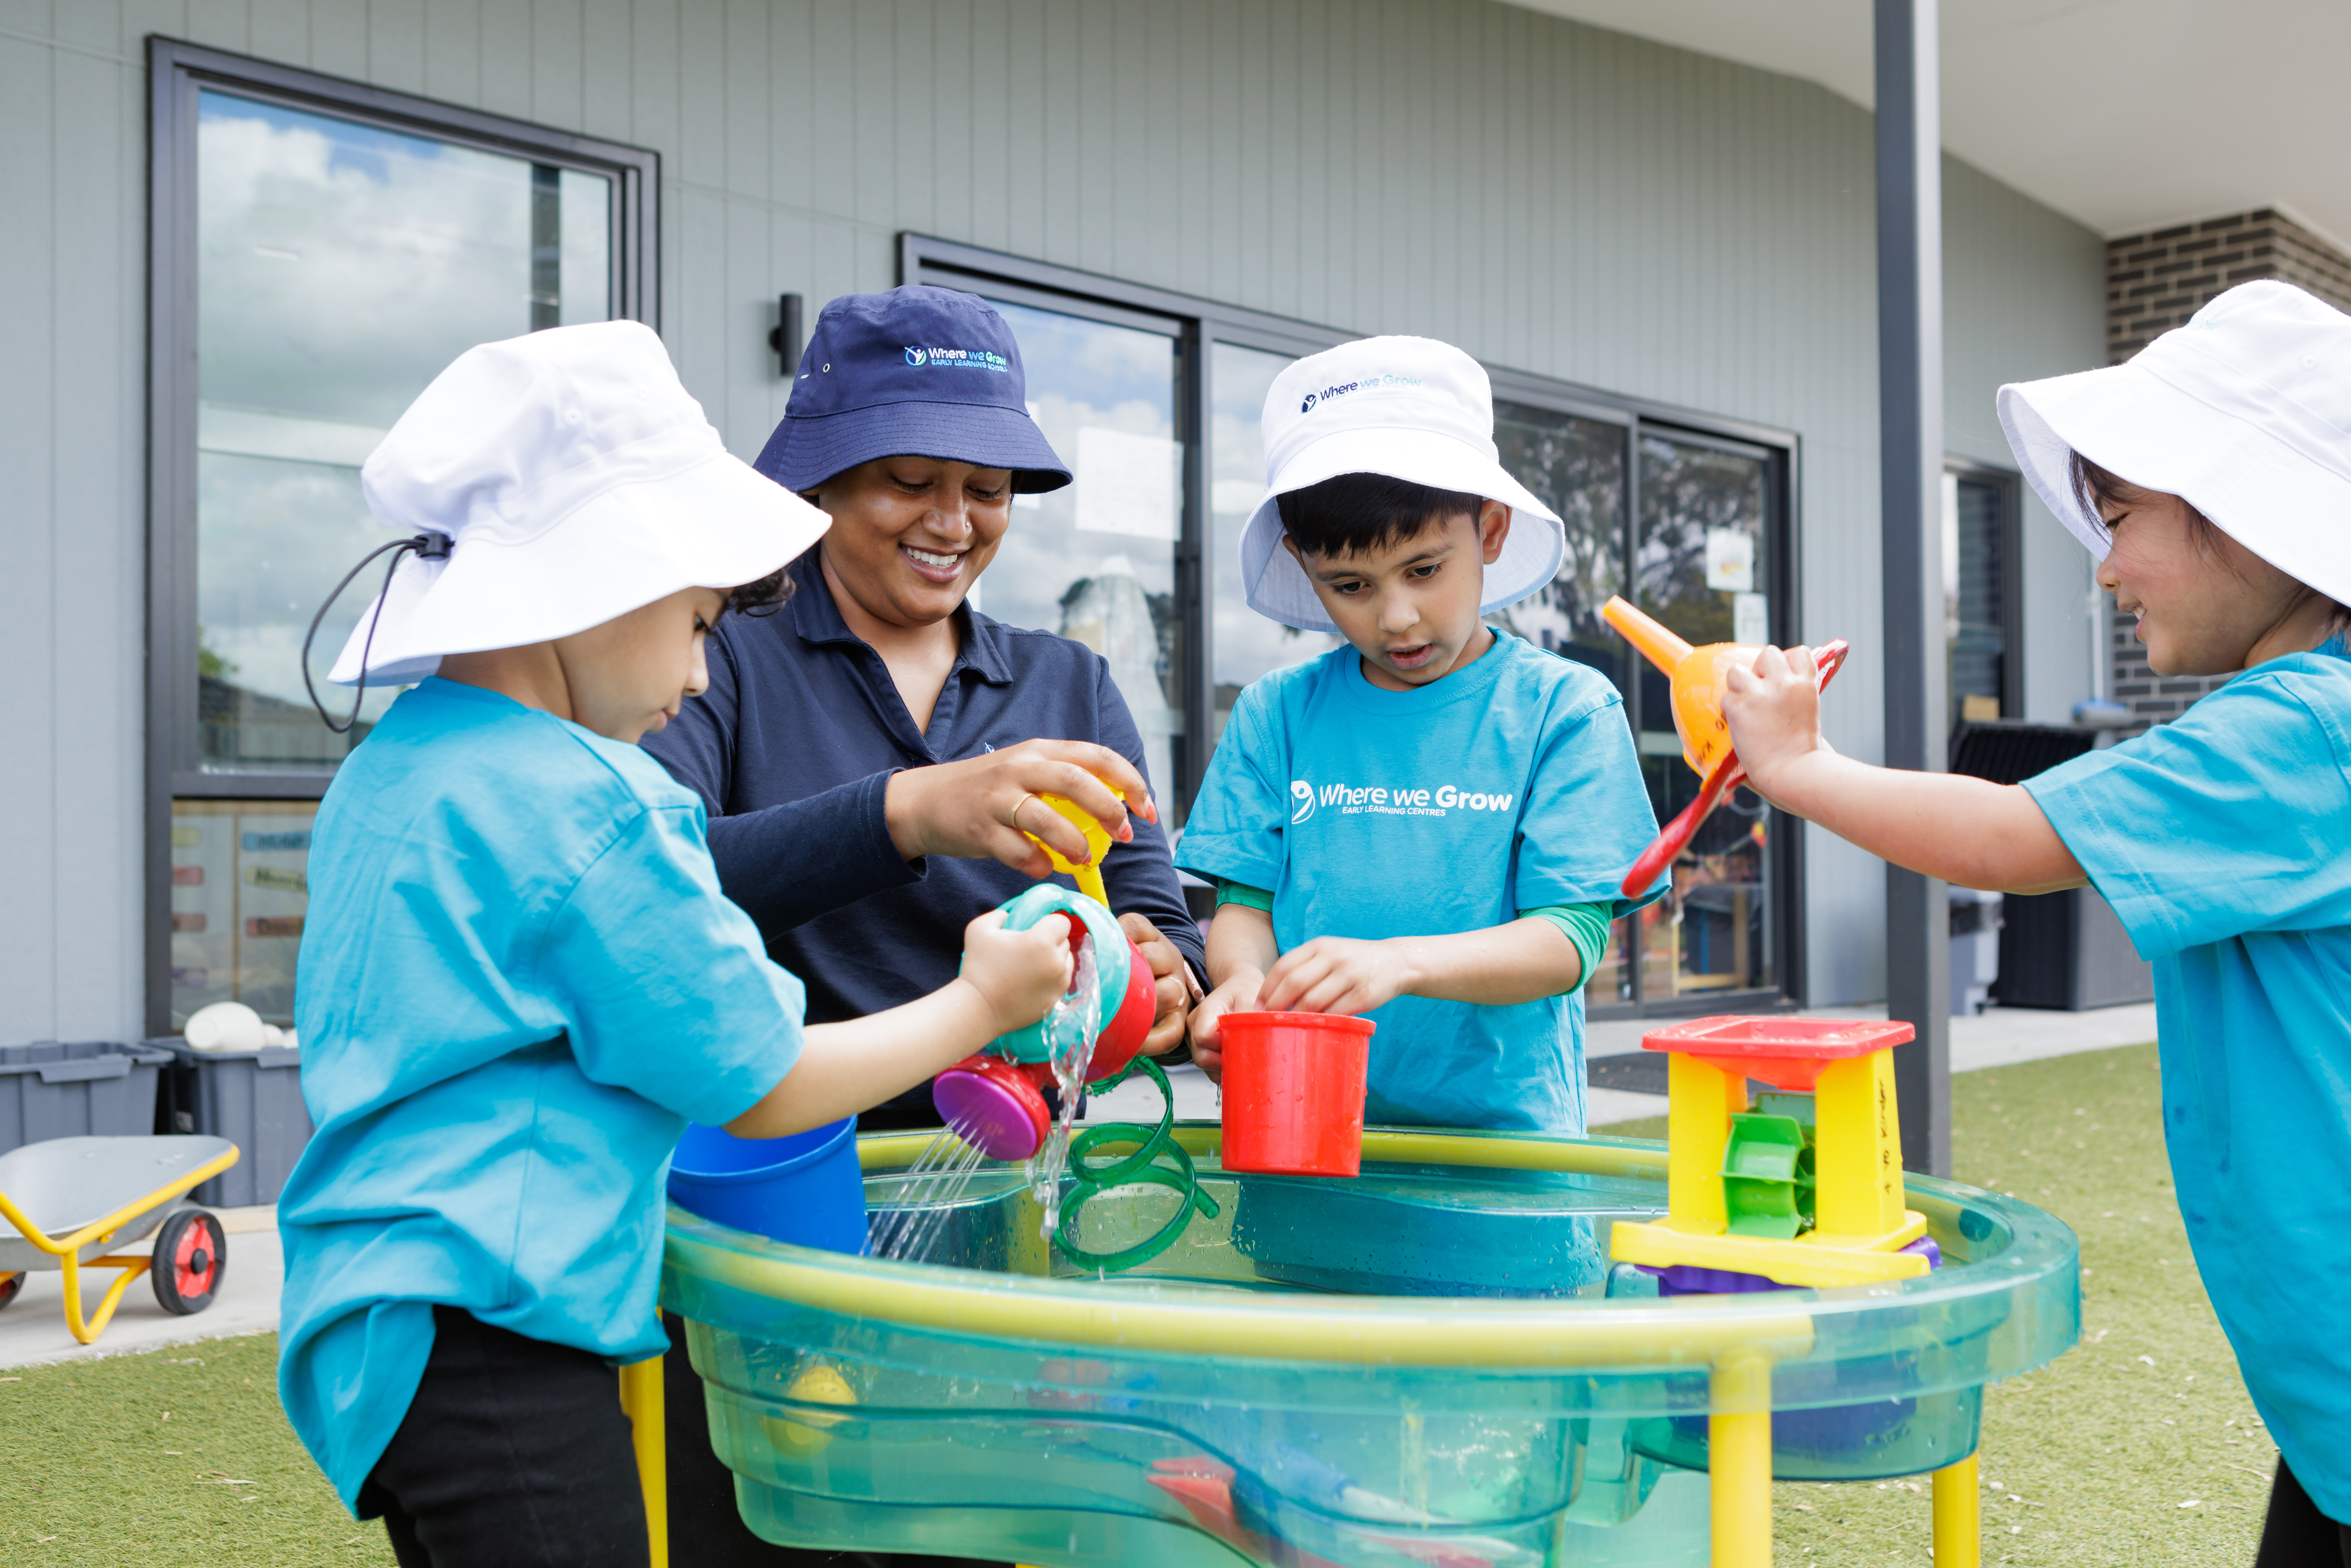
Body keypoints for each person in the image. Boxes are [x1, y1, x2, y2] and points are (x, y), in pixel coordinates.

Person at [273, 321, 1075, 1568]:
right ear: (604, 578)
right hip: (498, 1324)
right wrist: (982, 998)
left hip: (376, 1315)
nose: (703, 675)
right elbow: (762, 1084)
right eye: (701, 622)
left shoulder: (400, 767)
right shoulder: (590, 799)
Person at [1713, 280, 2351, 1563]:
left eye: (2118, 520)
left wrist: (1794, 769)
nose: (2102, 567)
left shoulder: (2306, 729)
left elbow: (2015, 838)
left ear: (2244, 512)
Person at [639, 287, 1206, 1567]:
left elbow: (1150, 910)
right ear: (822, 481)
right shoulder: (715, 650)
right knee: (766, 1522)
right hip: (768, 1206)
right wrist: (906, 812)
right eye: (908, 478)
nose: (953, 521)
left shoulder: (1067, 682)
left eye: (989, 488)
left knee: (987, 1524)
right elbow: (654, 888)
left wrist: (1155, 980)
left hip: (1007, 1212)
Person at [1176, 336, 1663, 1134]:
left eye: (1426, 570)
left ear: (1492, 532)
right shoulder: (1277, 714)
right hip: (1305, 1150)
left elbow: (1571, 940)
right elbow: (1245, 906)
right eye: (1351, 586)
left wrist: (1400, 963)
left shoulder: (1563, 710)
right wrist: (1238, 983)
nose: (1395, 616)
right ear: (1303, 566)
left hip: (1505, 1166)